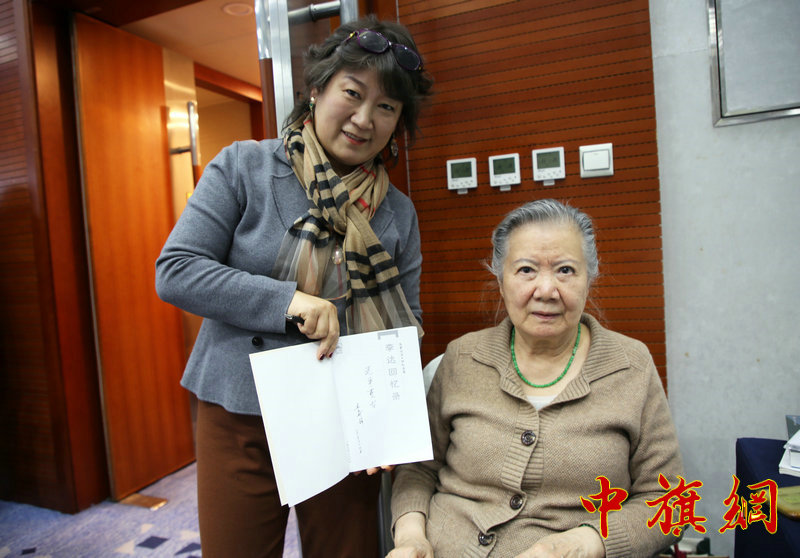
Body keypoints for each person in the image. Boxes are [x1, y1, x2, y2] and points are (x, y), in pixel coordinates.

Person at [155, 15, 433, 558]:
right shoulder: (244, 167)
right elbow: (177, 269)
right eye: (352, 93)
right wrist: (286, 300)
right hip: (240, 410)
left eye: (386, 107)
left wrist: (389, 418)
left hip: (344, 419)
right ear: (317, 90)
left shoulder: (397, 212)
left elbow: (409, 323)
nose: (364, 118)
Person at [389, 199, 684, 558]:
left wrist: (582, 544)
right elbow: (419, 470)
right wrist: (411, 538)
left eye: (565, 270)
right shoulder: (462, 358)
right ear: (501, 281)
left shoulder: (630, 366)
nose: (546, 290)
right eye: (526, 270)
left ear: (589, 279)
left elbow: (669, 502)